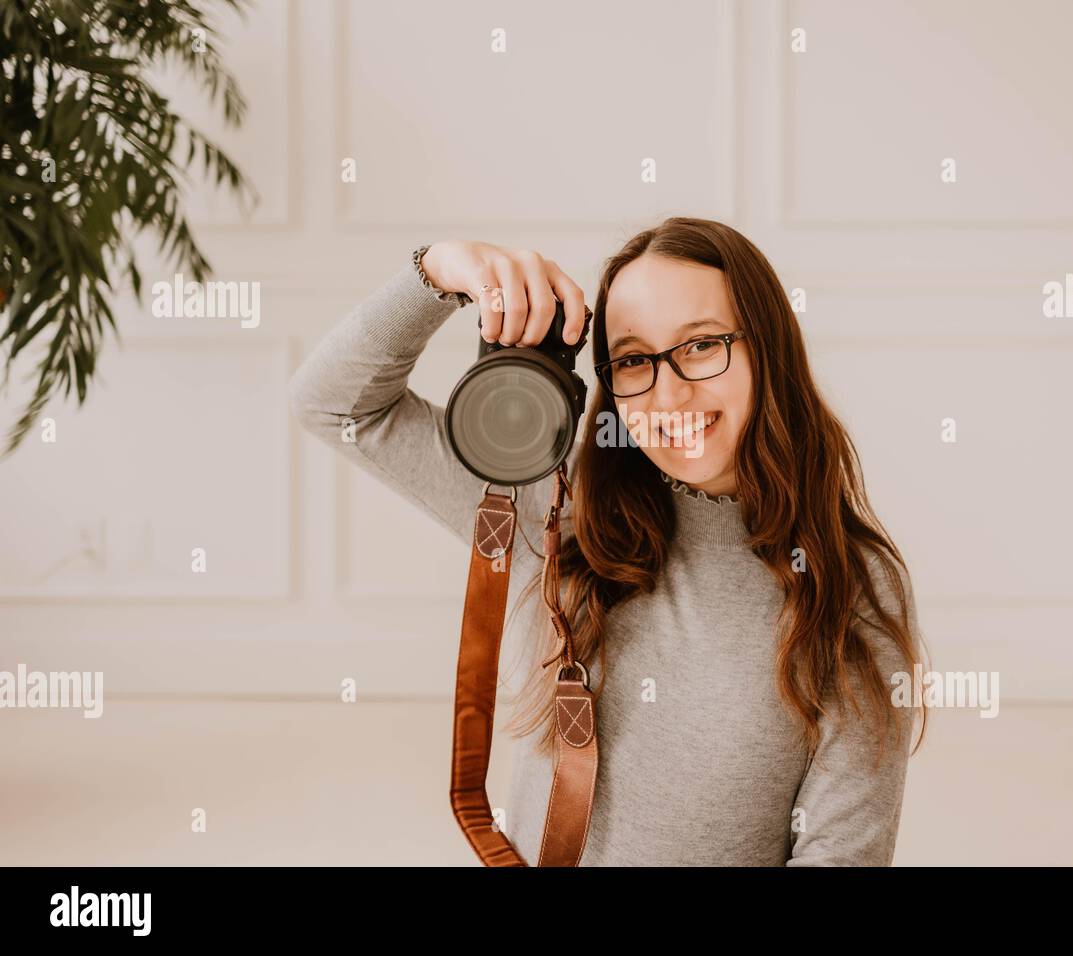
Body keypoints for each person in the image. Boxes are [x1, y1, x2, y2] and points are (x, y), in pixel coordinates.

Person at [288, 216, 929, 866]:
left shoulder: (853, 582)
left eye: (702, 345)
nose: (669, 392)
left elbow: (839, 856)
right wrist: (441, 271)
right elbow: (334, 404)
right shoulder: (556, 506)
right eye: (632, 359)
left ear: (769, 347)